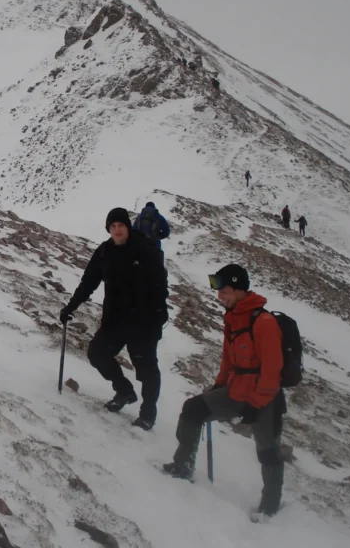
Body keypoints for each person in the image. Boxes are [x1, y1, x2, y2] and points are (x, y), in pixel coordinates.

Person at [162, 264, 287, 520]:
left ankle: (270, 508)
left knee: (268, 451)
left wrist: (258, 402)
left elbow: (272, 369)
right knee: (193, 410)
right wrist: (220, 384)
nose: (221, 296)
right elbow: (229, 360)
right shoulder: (232, 318)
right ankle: (182, 466)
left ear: (241, 290)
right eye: (219, 291)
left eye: (226, 291)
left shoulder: (264, 322)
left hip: (265, 398)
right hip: (235, 391)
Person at [60, 207, 169, 430]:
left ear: (128, 227)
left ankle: (148, 413)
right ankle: (124, 391)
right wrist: (70, 307)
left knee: (146, 369)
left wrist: (158, 316)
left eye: (121, 225)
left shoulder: (145, 250)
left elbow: (160, 286)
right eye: (113, 226)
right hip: (115, 319)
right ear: (108, 229)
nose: (117, 230)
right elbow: (88, 282)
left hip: (143, 321)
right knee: (97, 353)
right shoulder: (104, 252)